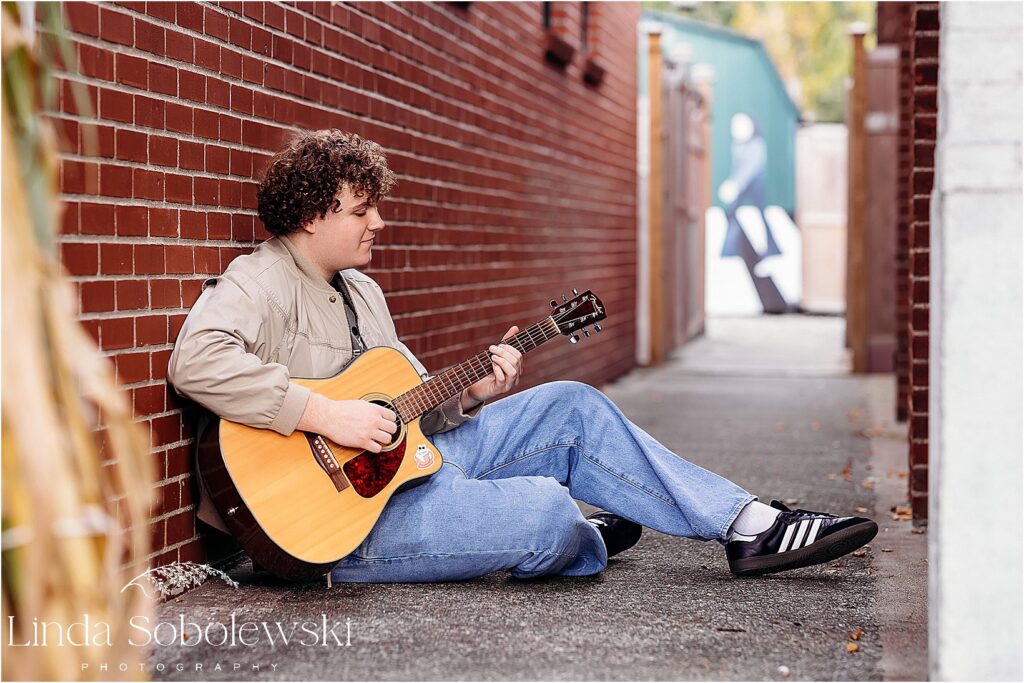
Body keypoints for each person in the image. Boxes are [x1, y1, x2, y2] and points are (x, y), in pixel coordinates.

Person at [167, 129, 877, 583]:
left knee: (572, 403)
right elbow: (194, 361)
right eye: (362, 210)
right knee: (544, 512)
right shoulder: (258, 281)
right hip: (335, 527)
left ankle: (750, 525)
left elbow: (404, 410)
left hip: (411, 471)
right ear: (312, 214)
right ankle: (571, 536)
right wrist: (326, 413)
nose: (378, 222)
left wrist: (469, 395)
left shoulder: (362, 291)